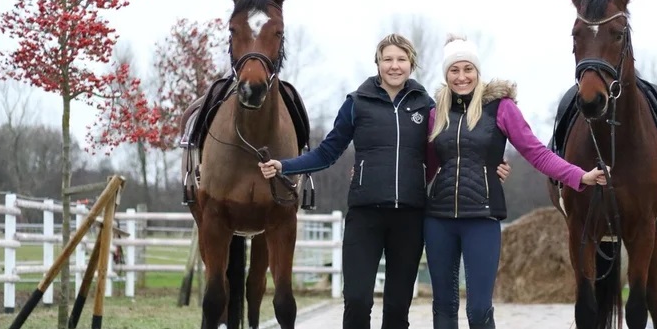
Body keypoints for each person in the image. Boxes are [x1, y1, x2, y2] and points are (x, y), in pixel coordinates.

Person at [257, 33, 510, 329]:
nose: (394, 66)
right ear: (377, 63)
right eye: (387, 59)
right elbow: (328, 151)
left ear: (411, 64)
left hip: (410, 218)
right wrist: (286, 166)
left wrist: (493, 164)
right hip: (365, 215)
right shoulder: (356, 102)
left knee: (397, 307)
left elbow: (451, 149)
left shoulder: (427, 106)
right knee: (357, 299)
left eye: (401, 59)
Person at [423, 34, 610, 329]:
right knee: (443, 308)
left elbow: (536, 152)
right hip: (438, 220)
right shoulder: (436, 113)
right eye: (454, 70)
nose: (461, 77)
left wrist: (579, 175)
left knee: (478, 309)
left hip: (481, 218)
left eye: (467, 69)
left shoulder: (501, 108)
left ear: (477, 71)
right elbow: (426, 167)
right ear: (446, 74)